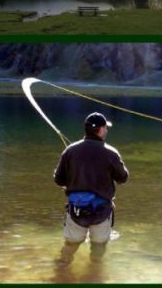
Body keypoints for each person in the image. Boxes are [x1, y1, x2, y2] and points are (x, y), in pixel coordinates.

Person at [53, 112, 129, 265]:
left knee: (70, 246)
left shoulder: (70, 151)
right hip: (101, 212)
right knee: (98, 248)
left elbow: (58, 179)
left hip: (76, 211)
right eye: (105, 128)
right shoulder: (111, 153)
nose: (106, 130)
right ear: (101, 130)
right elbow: (123, 178)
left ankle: (60, 274)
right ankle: (94, 274)